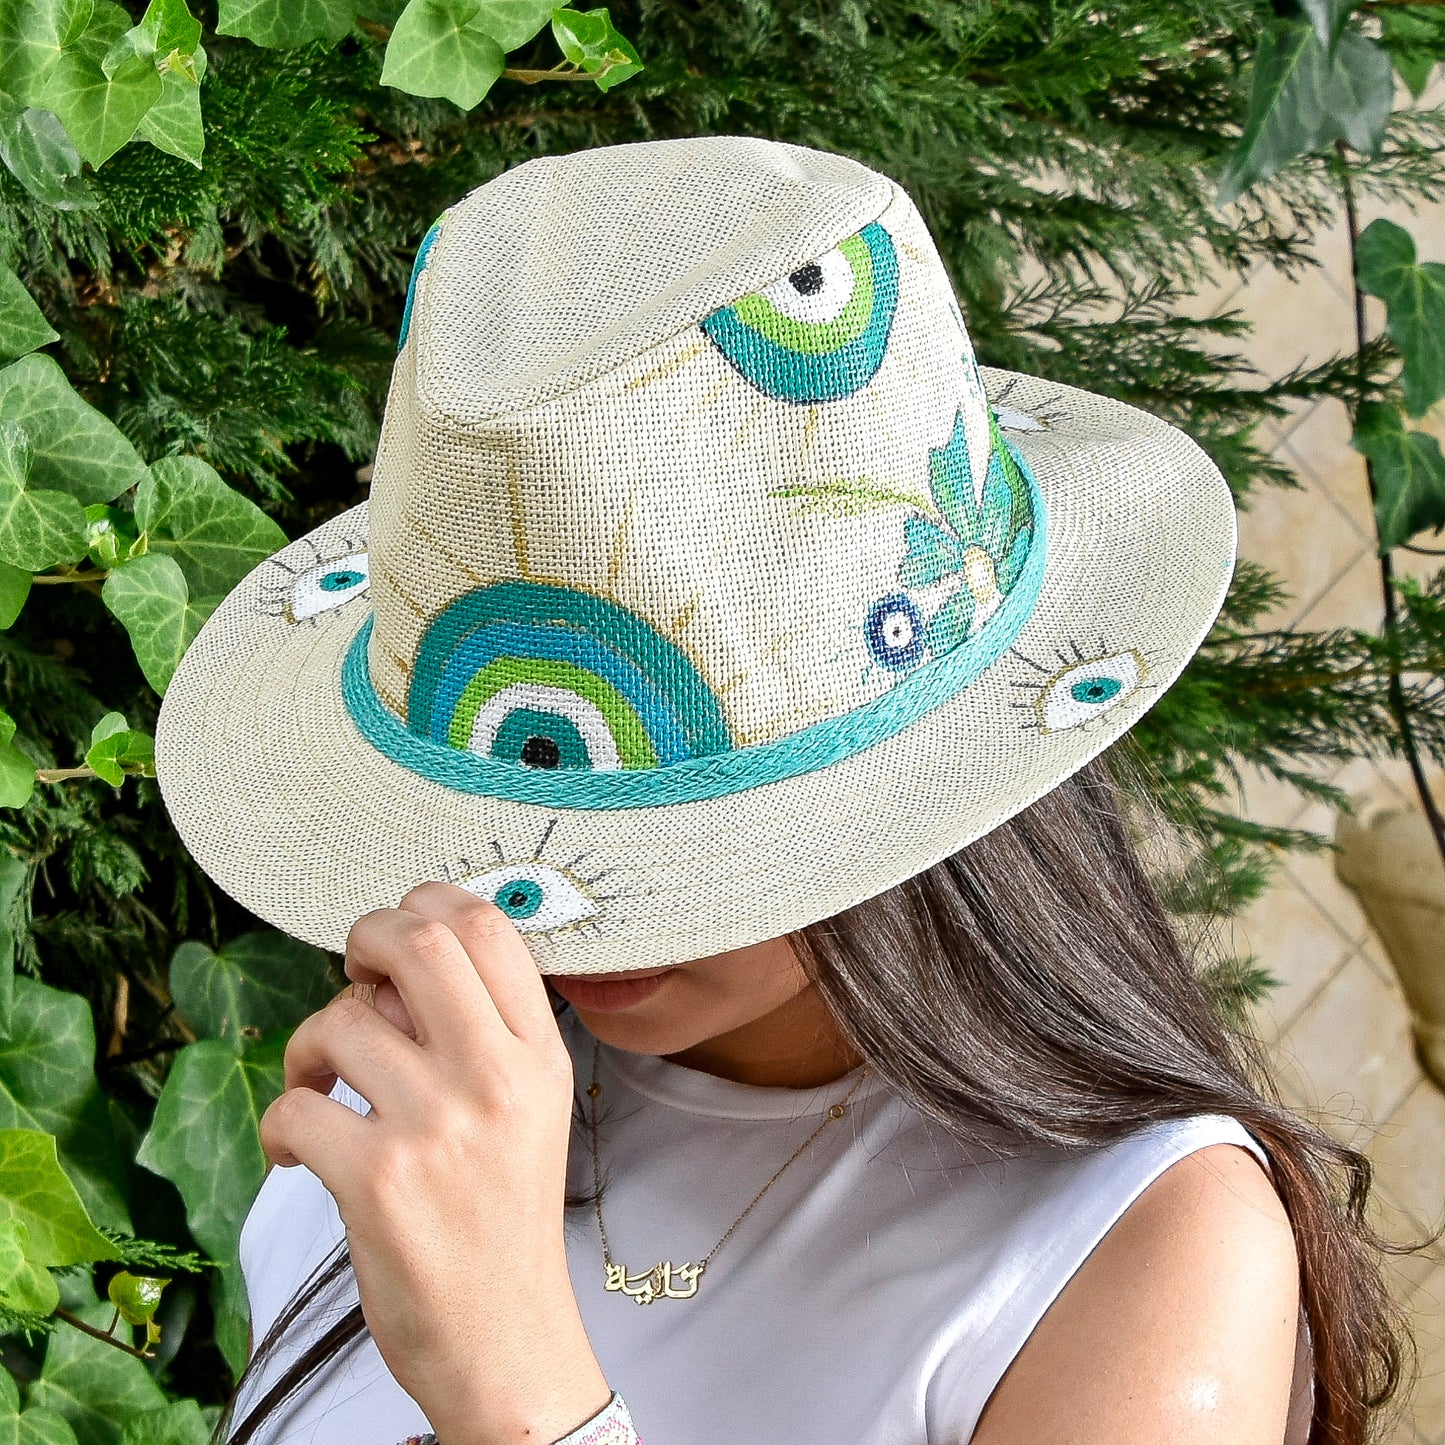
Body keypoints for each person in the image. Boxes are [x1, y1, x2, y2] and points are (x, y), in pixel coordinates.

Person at [150, 134, 1423, 1445]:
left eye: (677, 824)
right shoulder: (453, 1072)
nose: (564, 895)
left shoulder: (1146, 1258)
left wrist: (519, 1397)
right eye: (535, 790)